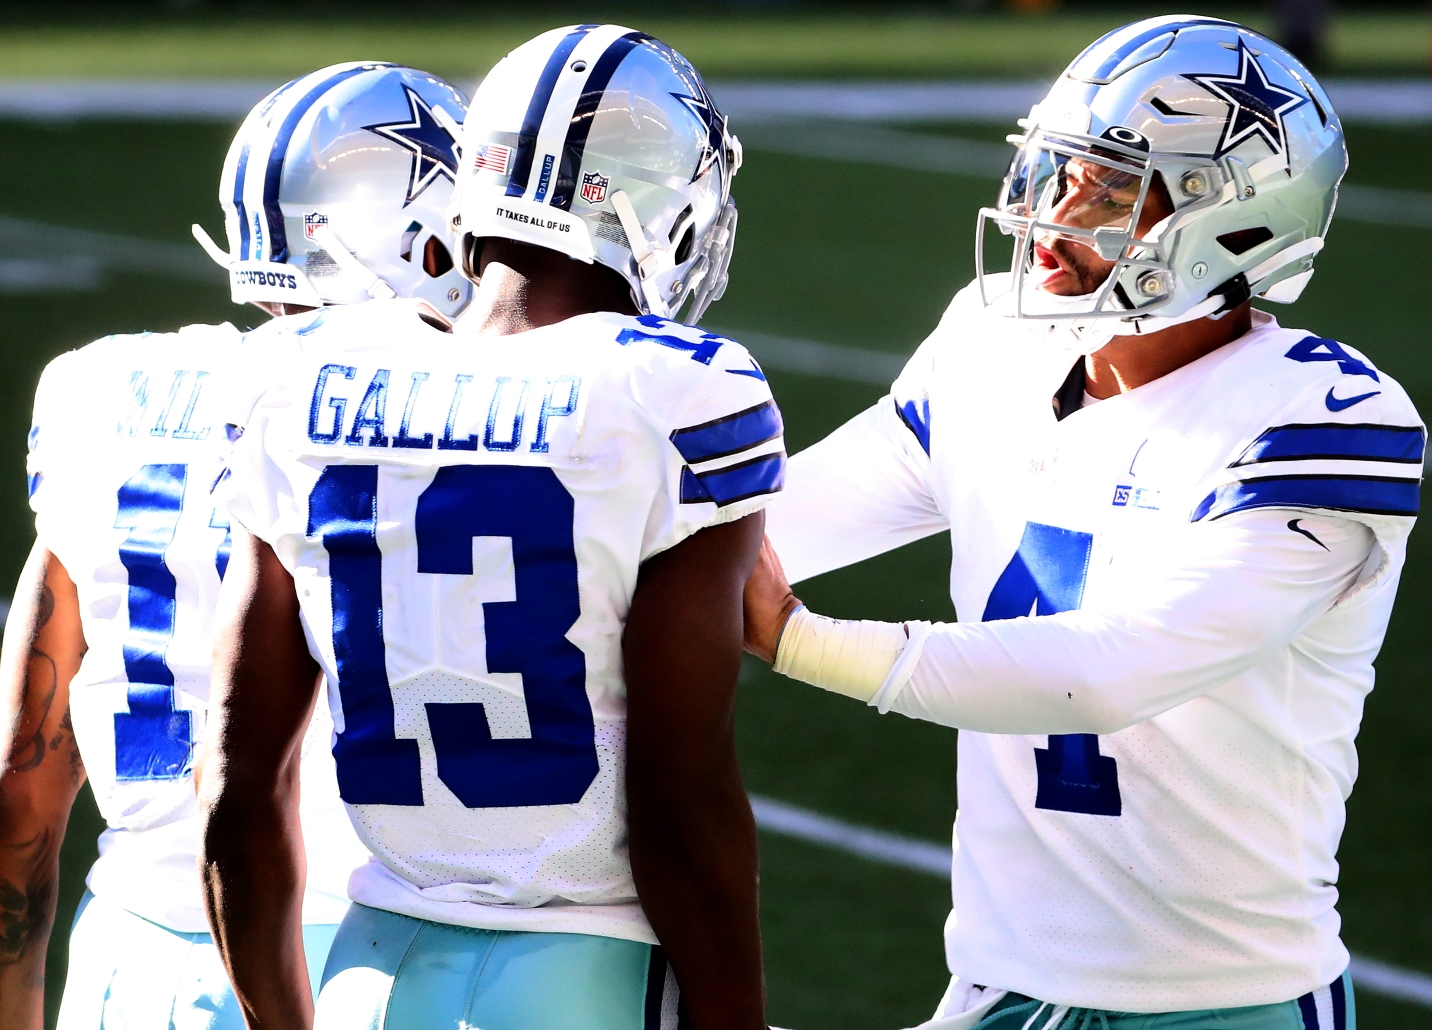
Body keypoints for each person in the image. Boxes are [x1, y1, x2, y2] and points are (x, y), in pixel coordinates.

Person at [744, 16, 1419, 1030]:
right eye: (1053, 169)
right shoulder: (991, 345)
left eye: (1107, 186)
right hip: (996, 988)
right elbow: (785, 521)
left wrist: (799, 641)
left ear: (1228, 221)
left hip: (1221, 1008)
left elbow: (1113, 669)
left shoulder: (1324, 420)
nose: (1054, 210)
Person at [199, 24, 774, 1030]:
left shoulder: (297, 376)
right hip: (586, 967)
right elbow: (682, 804)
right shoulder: (676, 392)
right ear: (656, 201)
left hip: (369, 973)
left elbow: (238, 791)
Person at [0, 61, 472, 1030]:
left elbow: (11, 808)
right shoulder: (440, 419)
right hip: (341, 957)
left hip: (120, 960)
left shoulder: (97, 392)